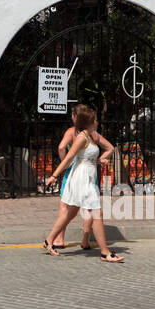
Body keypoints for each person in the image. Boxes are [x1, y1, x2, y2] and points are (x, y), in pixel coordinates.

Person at [43, 105, 124, 262]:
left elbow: (89, 157)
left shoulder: (92, 136)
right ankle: (105, 252)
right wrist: (54, 175)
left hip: (88, 176)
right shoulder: (82, 137)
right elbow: (68, 158)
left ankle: (49, 240)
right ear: (88, 122)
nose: (97, 121)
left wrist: (100, 160)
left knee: (72, 212)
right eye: (95, 119)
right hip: (81, 177)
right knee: (96, 212)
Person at [42, 105, 92, 250]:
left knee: (65, 204)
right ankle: (85, 240)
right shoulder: (92, 133)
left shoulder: (72, 132)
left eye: (72, 114)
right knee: (89, 206)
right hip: (89, 171)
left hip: (75, 170)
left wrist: (67, 163)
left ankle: (59, 239)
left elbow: (61, 147)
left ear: (76, 117)